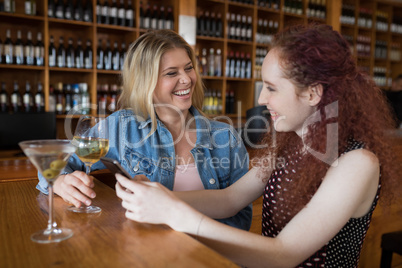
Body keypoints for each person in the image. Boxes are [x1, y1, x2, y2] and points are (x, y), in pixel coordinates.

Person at [115, 24, 401, 267]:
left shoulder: (357, 163)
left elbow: (284, 254)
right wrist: (157, 196)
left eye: (272, 88)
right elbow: (230, 199)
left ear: (313, 93)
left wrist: (173, 213)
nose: (262, 98)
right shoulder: (288, 145)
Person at [36, 30, 252, 230]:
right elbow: (56, 161)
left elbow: (241, 219)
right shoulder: (121, 127)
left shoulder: (226, 136)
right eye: (171, 73)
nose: (186, 79)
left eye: (188, 68)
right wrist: (61, 181)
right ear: (145, 82)